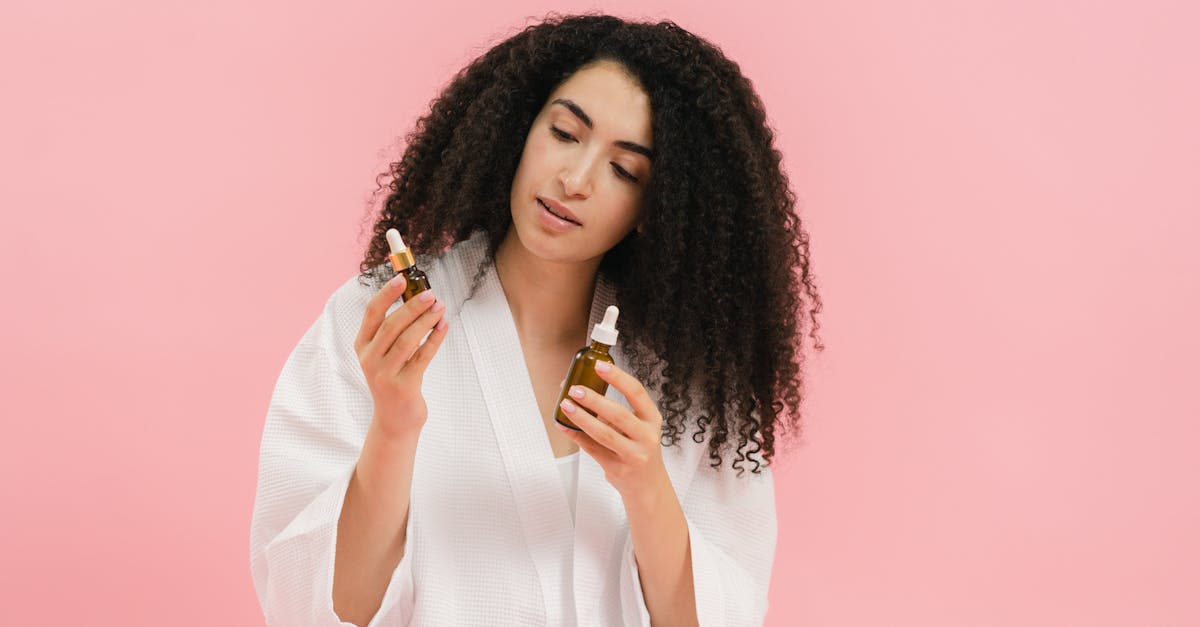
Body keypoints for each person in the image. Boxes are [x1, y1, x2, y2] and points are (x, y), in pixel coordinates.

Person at [250, 13, 822, 627]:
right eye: (564, 133)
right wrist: (393, 426)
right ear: (520, 127)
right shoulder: (378, 323)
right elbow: (315, 609)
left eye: (625, 170)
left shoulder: (690, 382)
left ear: (656, 209)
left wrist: (645, 482)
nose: (573, 180)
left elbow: (722, 614)